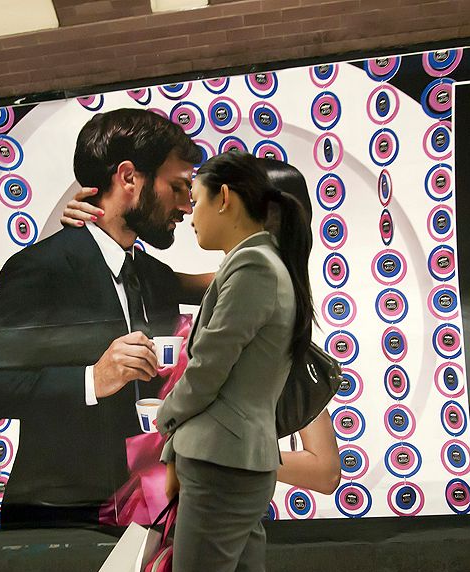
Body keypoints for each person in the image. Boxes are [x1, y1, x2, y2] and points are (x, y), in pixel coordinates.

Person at [0, 108, 203, 525]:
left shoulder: (155, 278)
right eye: (177, 187)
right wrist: (92, 380)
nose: (186, 204)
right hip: (58, 523)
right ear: (129, 177)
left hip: (146, 517)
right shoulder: (41, 267)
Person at [158, 151, 313, 572]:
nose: (190, 215)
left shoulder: (250, 267)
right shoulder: (263, 265)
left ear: (226, 198)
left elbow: (208, 368)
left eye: (195, 201)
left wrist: (166, 419)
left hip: (221, 466)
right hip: (240, 465)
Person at [62, 157, 341, 495]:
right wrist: (96, 228)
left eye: (210, 200)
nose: (193, 213)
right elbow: (145, 276)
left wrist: (216, 451)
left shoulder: (268, 308)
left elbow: (324, 470)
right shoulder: (235, 287)